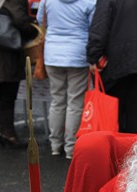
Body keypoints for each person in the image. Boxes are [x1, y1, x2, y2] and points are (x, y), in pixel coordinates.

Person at [86, 0, 137, 133]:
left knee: (114, 118)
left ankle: (117, 151)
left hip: (116, 66)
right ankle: (135, 151)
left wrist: (94, 57)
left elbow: (99, 29)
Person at [37, 0, 96, 159]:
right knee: (75, 103)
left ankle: (55, 145)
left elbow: (39, 20)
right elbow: (94, 26)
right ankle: (71, 147)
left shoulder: (47, 1)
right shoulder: (89, 2)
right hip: (77, 54)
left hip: (52, 54)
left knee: (57, 101)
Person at [0, 0, 37, 149]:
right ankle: (8, 133)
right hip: (6, 53)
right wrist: (33, 31)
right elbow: (19, 19)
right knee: (7, 94)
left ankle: (4, 131)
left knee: (3, 94)